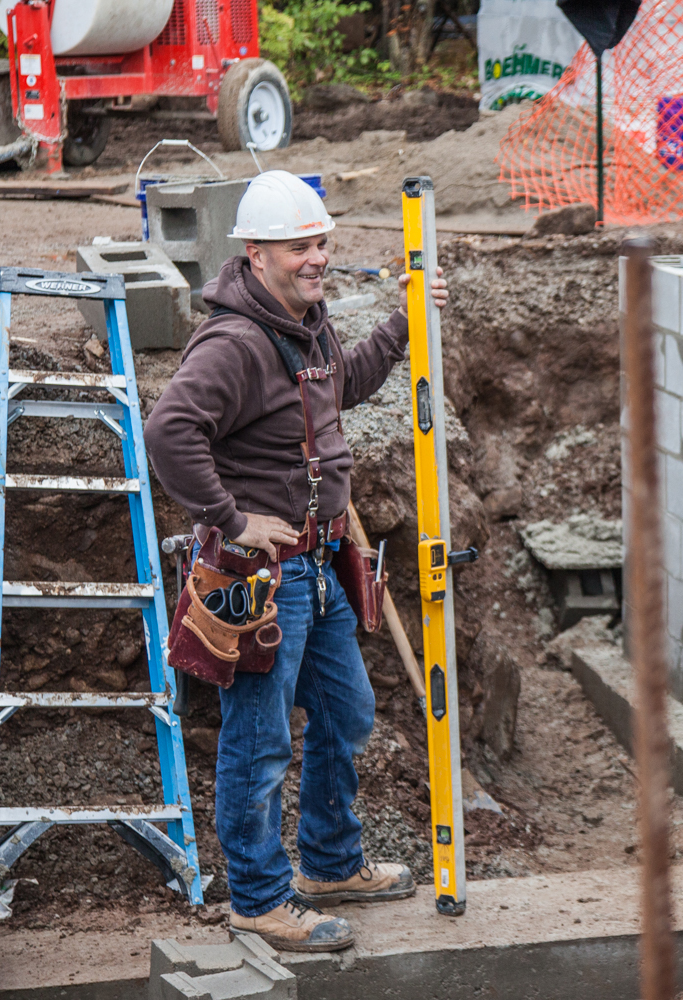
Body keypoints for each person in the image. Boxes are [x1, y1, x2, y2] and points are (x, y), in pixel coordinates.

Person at [144, 171, 448, 952]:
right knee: (259, 739)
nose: (316, 258)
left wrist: (402, 325)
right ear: (255, 254)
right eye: (299, 246)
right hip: (261, 580)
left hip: (320, 565)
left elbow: (342, 387)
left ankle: (330, 864)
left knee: (347, 715)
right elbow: (170, 431)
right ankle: (257, 899)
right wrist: (233, 519)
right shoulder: (236, 342)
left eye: (321, 243)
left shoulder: (306, 325)